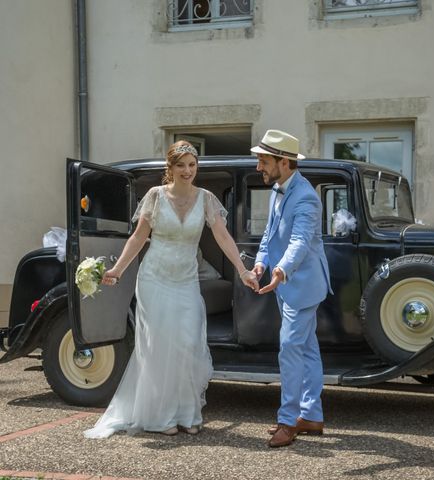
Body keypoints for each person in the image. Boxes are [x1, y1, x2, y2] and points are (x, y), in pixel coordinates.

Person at [83, 141, 259, 439]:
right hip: (154, 279)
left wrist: (242, 271)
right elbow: (138, 239)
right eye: (181, 165)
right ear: (171, 168)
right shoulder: (155, 196)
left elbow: (223, 237)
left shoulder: (206, 199)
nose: (187, 171)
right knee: (159, 347)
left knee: (187, 344)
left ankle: (187, 413)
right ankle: (161, 416)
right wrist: (117, 270)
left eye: (192, 165)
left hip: (186, 281)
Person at [250, 129, 332, 448]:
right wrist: (260, 263)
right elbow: (269, 234)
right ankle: (311, 415)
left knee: (290, 349)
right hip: (286, 285)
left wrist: (280, 270)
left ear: (284, 162)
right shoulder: (277, 190)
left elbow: (298, 242)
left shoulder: (307, 197)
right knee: (307, 350)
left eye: (264, 161)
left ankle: (288, 420)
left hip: (302, 286)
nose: (259, 167)